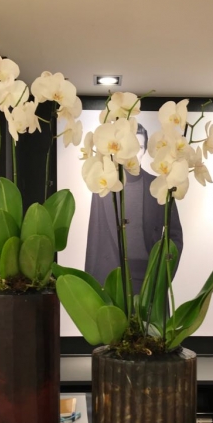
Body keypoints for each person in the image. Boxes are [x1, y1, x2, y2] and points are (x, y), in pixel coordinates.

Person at [85, 123, 184, 295]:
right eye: (130, 147)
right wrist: (90, 288)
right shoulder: (105, 187)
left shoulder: (160, 186)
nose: (134, 153)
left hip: (149, 278)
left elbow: (175, 236)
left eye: (139, 147)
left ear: (145, 150)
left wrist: (162, 273)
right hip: (112, 278)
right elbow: (95, 237)